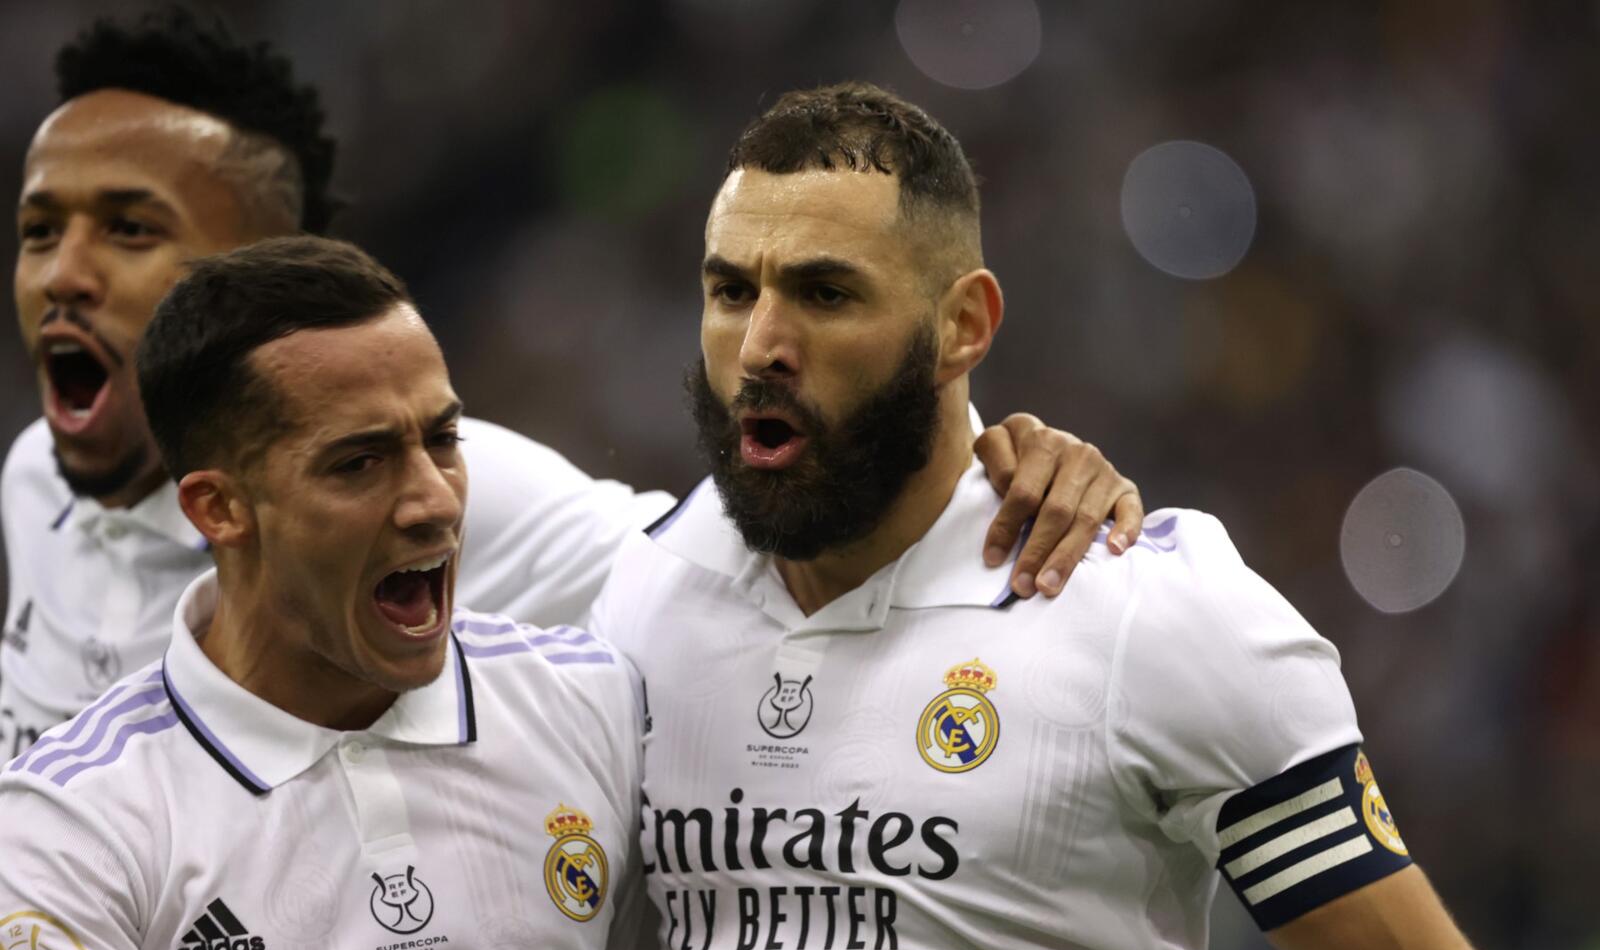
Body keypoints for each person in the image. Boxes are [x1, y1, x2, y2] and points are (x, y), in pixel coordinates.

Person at [586, 83, 1560, 950]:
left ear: (963, 324)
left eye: (826, 293)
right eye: (730, 291)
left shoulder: (1144, 610)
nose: (759, 347)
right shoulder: (641, 598)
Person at [1, 8, 1144, 762]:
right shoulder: (31, 481)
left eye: (130, 229)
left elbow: (751, 545)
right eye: (40, 229)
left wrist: (1008, 463)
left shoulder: (445, 491)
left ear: (258, 268)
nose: (64, 273)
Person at [0, 236, 661, 950]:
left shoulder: (592, 704)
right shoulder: (72, 826)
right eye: (359, 461)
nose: (434, 502)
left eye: (444, 438)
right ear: (219, 508)